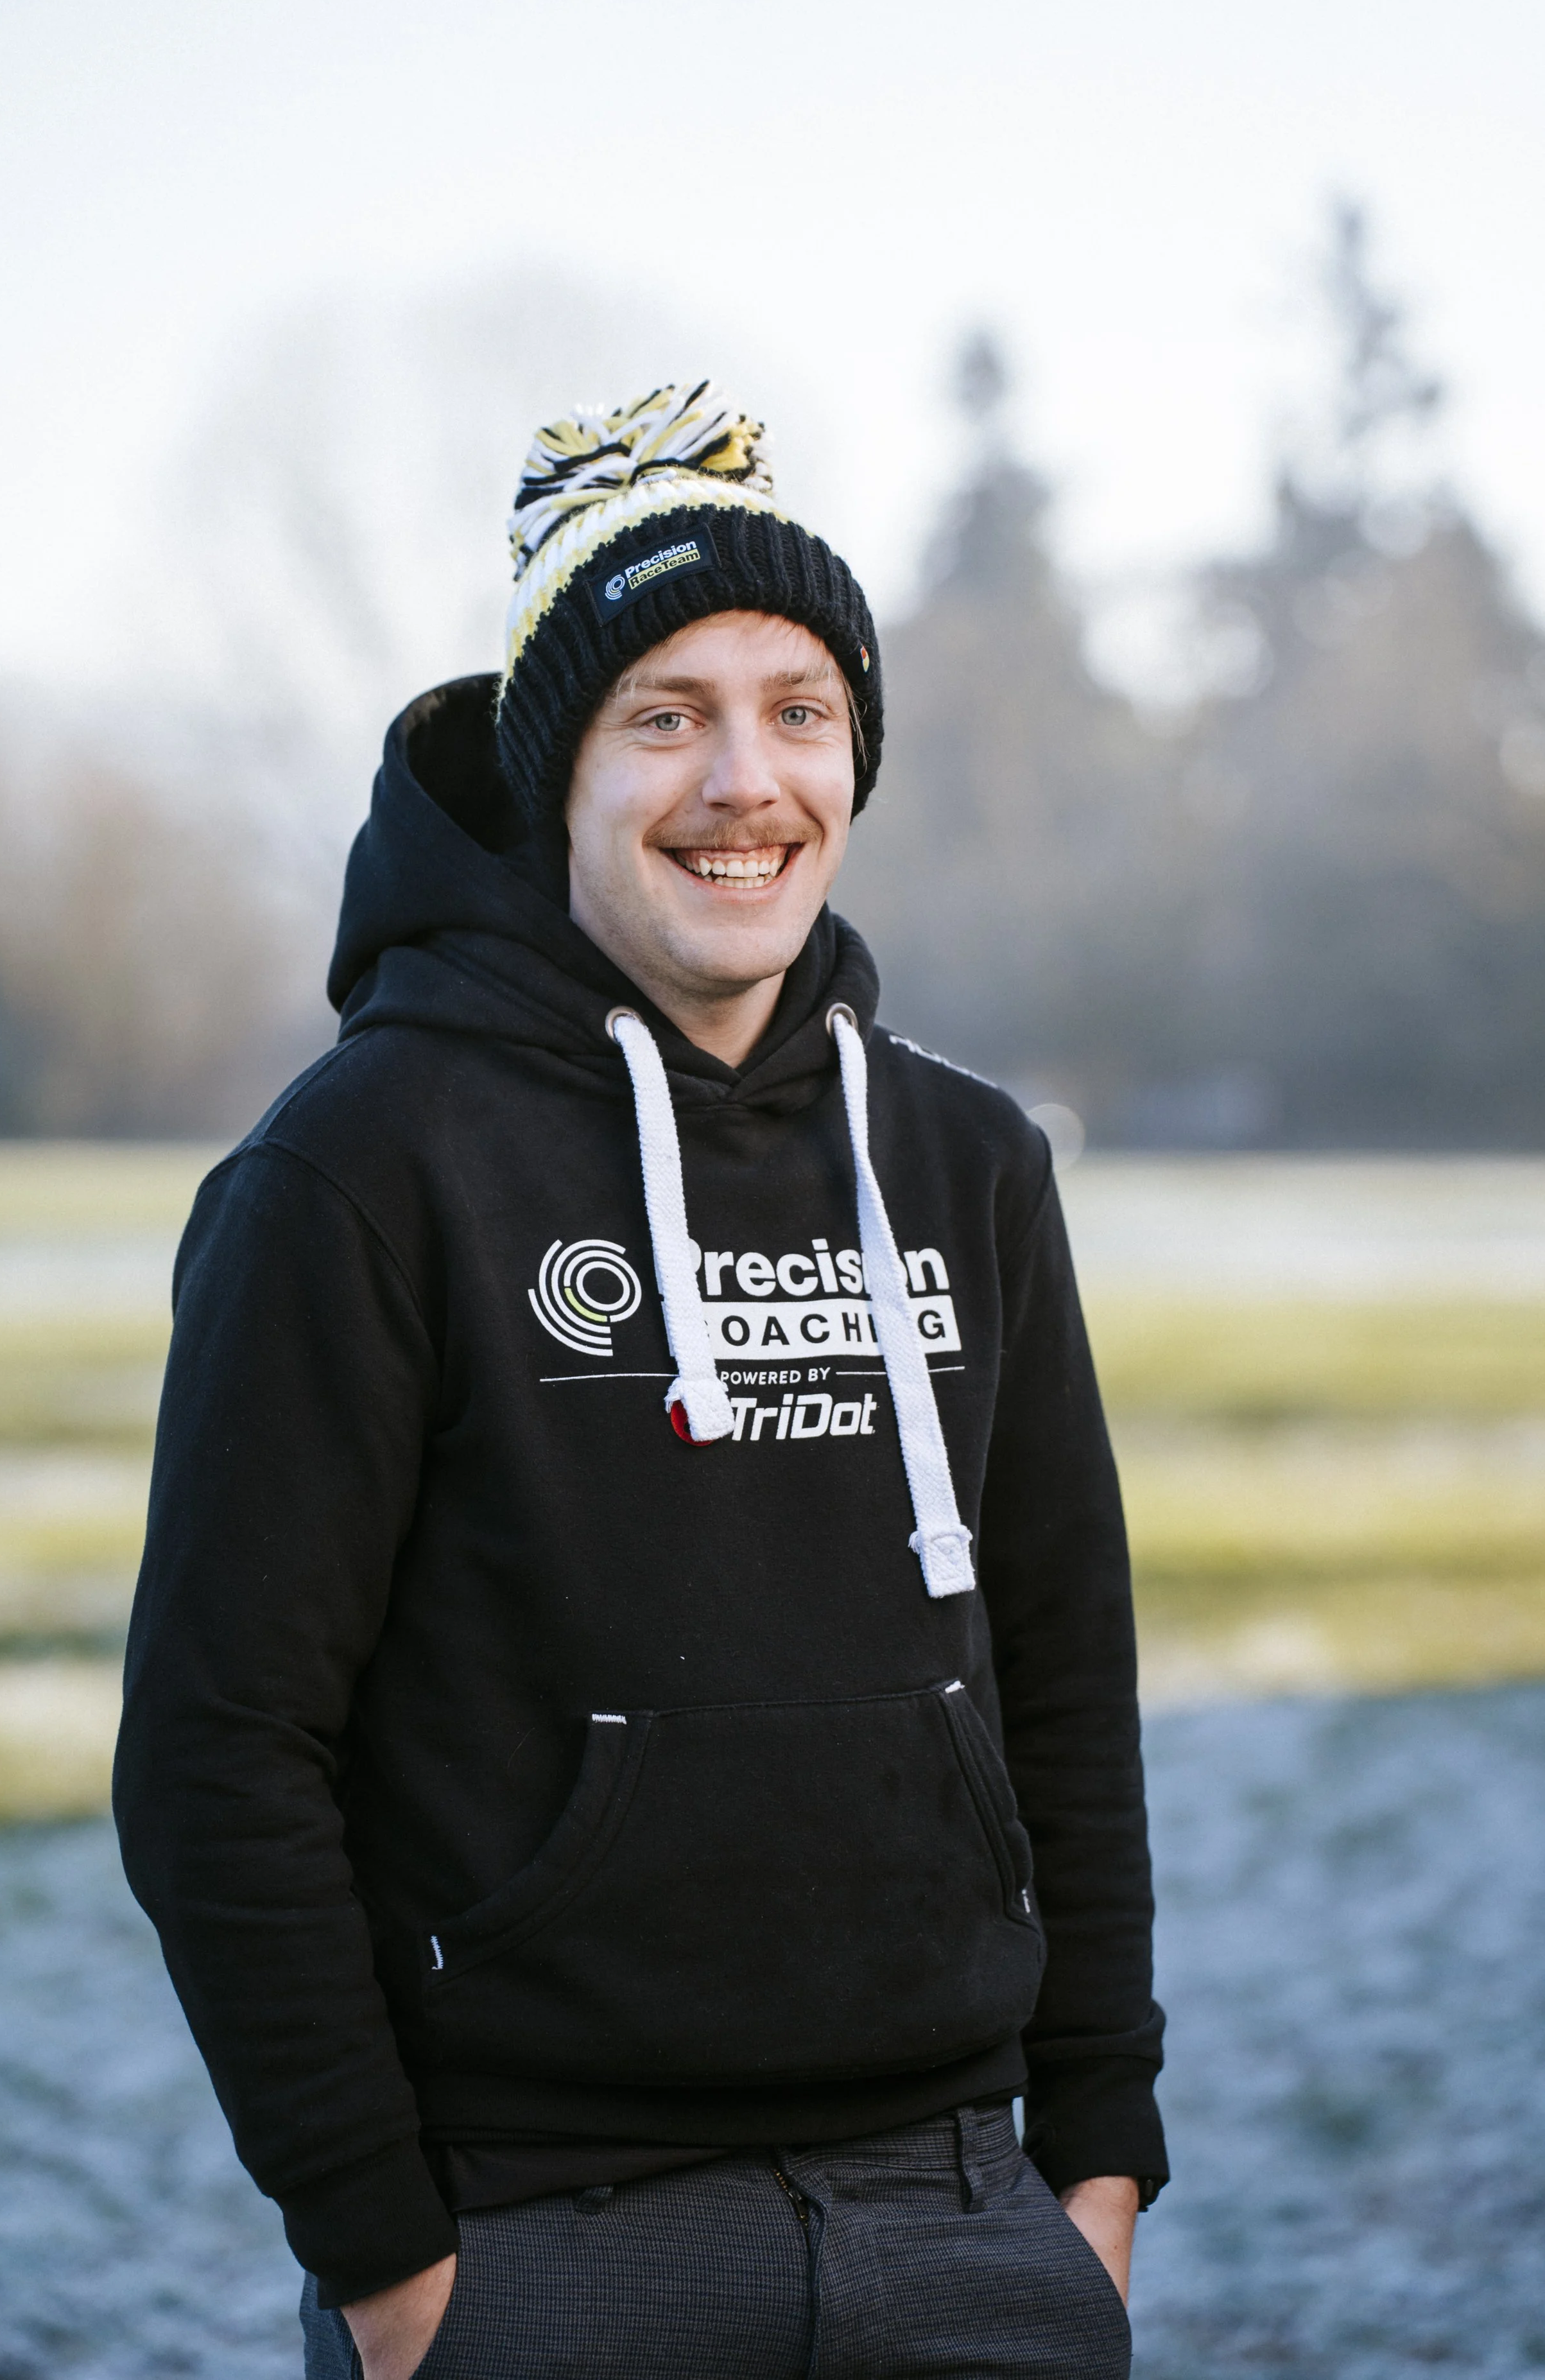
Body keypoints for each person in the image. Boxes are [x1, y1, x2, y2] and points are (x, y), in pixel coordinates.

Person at [115, 380, 1167, 2380]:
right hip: (539, 2250)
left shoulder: (962, 1164)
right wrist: (394, 2270)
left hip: (963, 2224)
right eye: (661, 714)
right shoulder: (358, 1167)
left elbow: (1066, 1670)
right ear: (556, 776)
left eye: (797, 708)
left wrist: (1096, 2157)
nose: (740, 779)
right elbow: (215, 1746)